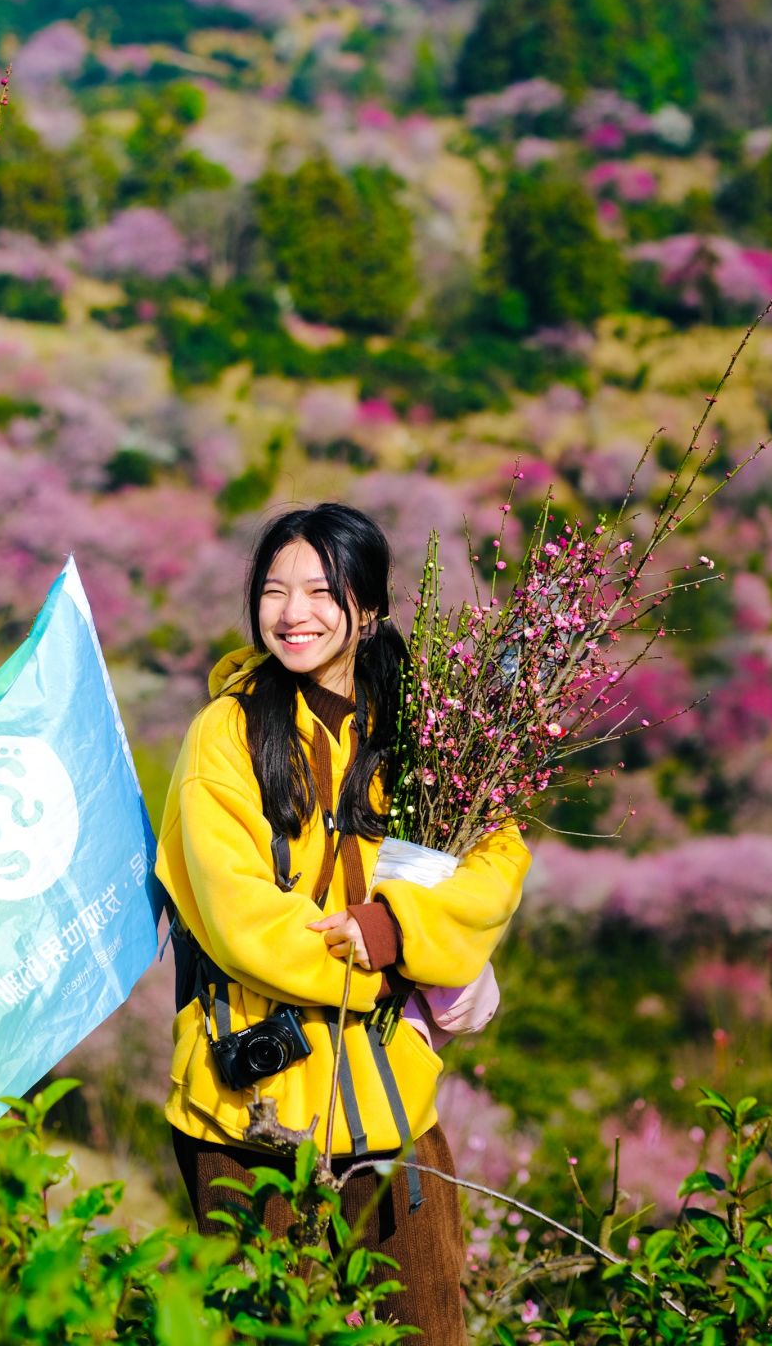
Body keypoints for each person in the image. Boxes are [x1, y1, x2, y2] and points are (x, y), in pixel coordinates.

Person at [155, 502, 531, 1342]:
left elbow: (497, 860)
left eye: (321, 591)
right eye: (275, 591)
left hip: (390, 1103)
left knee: (428, 1329)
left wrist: (400, 931)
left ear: (368, 605)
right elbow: (236, 914)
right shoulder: (227, 732)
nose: (294, 614)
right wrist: (382, 970)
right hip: (246, 1107)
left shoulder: (424, 723)